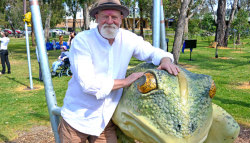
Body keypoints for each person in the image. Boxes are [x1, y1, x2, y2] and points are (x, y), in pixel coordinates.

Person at [58, 0, 180, 142]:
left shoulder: (128, 38)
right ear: (96, 17)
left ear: (121, 18)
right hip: (76, 120)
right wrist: (125, 82)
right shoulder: (82, 41)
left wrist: (165, 60)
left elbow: (153, 52)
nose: (110, 21)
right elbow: (88, 84)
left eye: (114, 17)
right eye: (105, 16)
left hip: (105, 120)